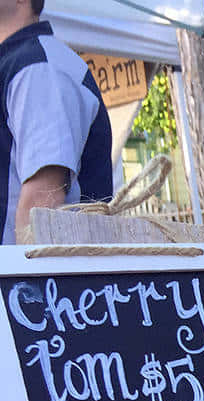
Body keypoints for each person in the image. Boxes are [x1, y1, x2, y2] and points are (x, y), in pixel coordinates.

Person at [0, 0, 112, 243]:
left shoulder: (39, 66)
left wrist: (20, 280)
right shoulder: (22, 63)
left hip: (33, 277)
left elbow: (41, 205)